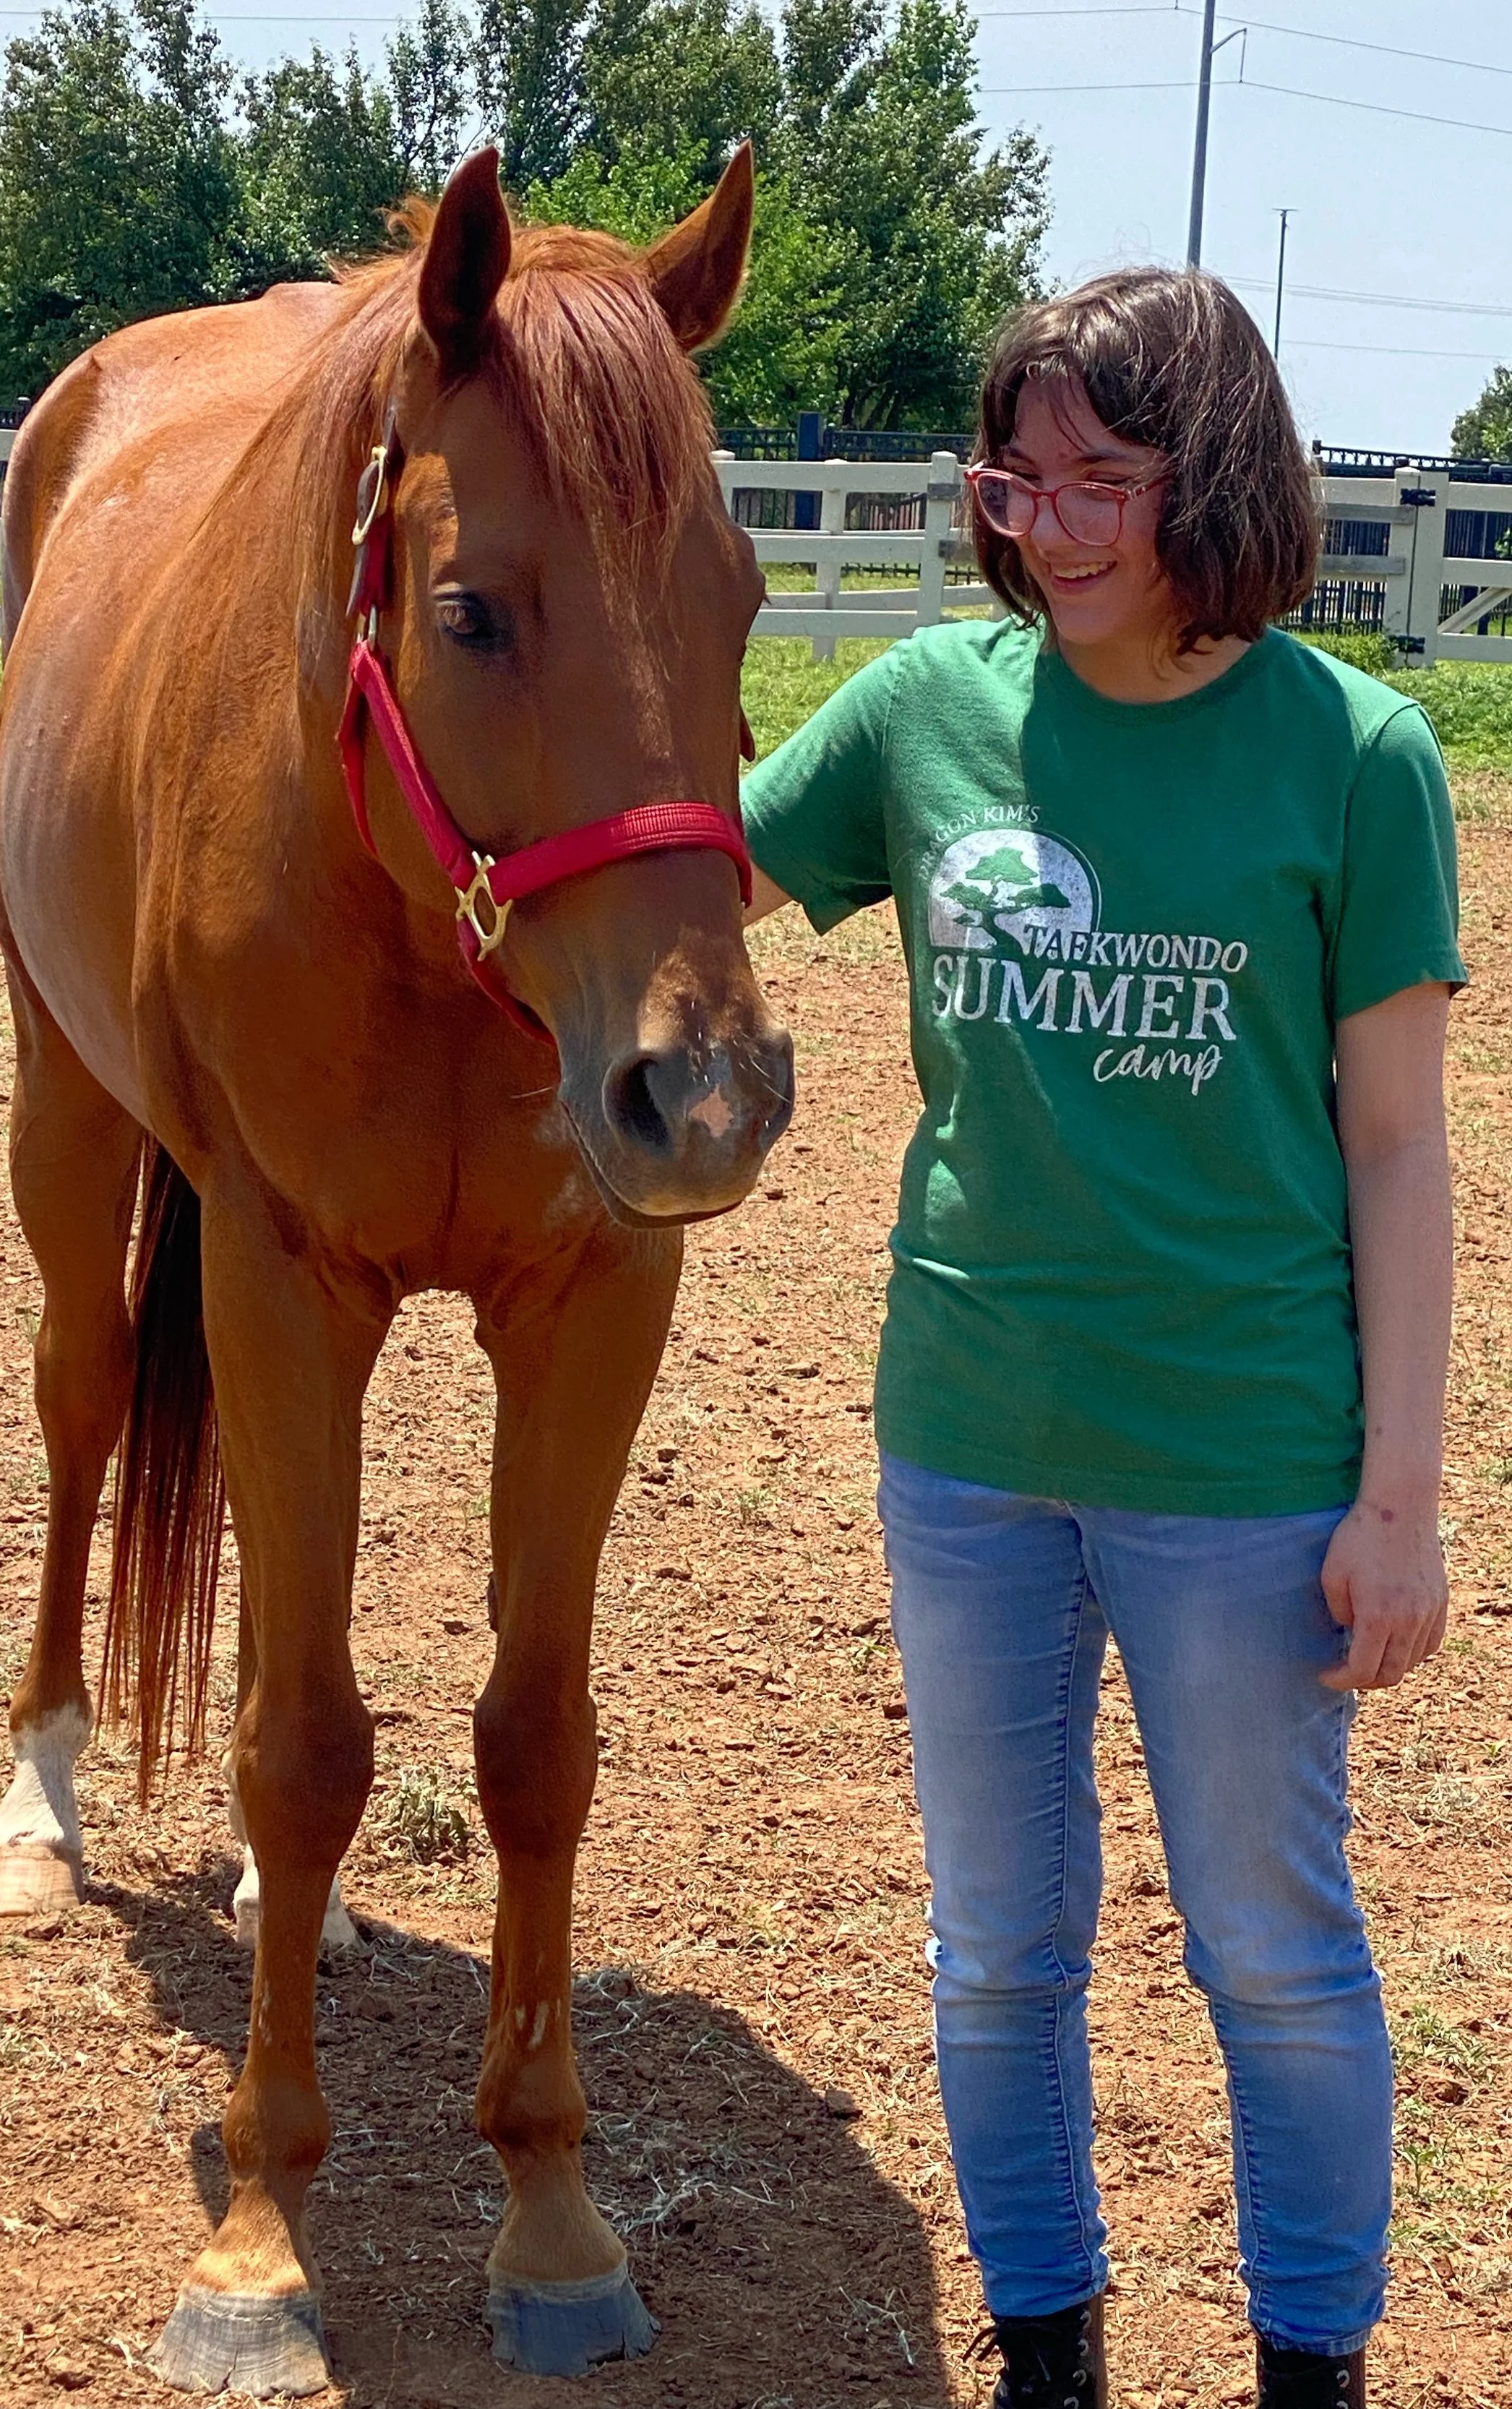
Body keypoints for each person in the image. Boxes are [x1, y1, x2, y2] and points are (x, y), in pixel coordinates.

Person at [739, 269, 1464, 2409]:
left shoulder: (1354, 756)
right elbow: (681, 881)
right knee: (996, 1954)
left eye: (1099, 483)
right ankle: (1045, 2345)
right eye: (1015, 478)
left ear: (1210, 478)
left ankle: (1304, 2366)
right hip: (964, 1435)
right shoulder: (917, 716)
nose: (1045, 528)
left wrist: (1399, 1498)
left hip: (1241, 1461)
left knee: (1274, 1952)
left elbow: (1402, 1150)